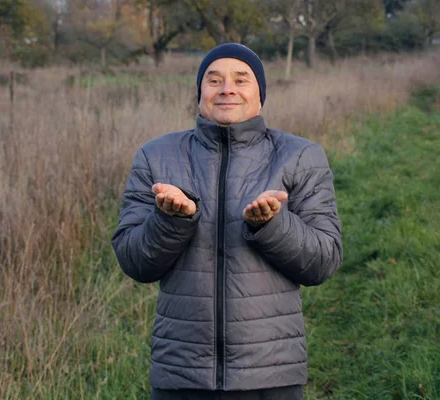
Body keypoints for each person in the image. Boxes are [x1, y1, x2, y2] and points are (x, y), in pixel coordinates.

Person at [112, 43, 343, 400]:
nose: (227, 89)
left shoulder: (300, 156)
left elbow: (324, 261)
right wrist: (170, 222)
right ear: (199, 93)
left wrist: (271, 226)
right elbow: (134, 261)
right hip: (181, 374)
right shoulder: (156, 156)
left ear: (260, 95)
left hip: (271, 374)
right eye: (214, 79)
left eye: (241, 79)